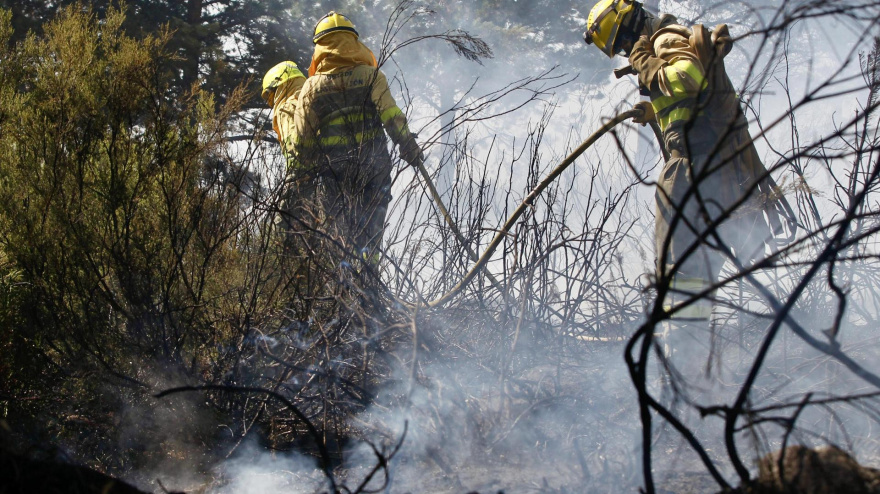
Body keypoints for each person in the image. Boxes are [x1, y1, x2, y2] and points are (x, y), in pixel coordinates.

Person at [583, 0, 791, 323]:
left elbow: (690, 76)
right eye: (622, 49)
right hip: (709, 167)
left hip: (691, 169)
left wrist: (645, 65)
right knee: (696, 270)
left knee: (678, 270)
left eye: (624, 41)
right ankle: (690, 346)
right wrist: (656, 111)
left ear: (635, 22)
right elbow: (691, 103)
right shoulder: (660, 43)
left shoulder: (663, 40)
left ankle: (681, 344)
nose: (627, 51)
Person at [292, 11, 423, 264]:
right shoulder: (371, 75)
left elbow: (302, 139)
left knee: (341, 236)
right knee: (372, 235)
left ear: (320, 47)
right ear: (353, 40)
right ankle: (369, 282)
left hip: (334, 175)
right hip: (375, 170)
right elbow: (391, 115)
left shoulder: (310, 88)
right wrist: (408, 146)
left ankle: (346, 289)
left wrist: (304, 174)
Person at [260, 61, 313, 237]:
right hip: (329, 170)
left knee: (280, 229)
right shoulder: (312, 96)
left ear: (281, 85)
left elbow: (294, 144)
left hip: (301, 173)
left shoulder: (286, 106)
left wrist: (294, 175)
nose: (271, 99)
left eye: (271, 92)